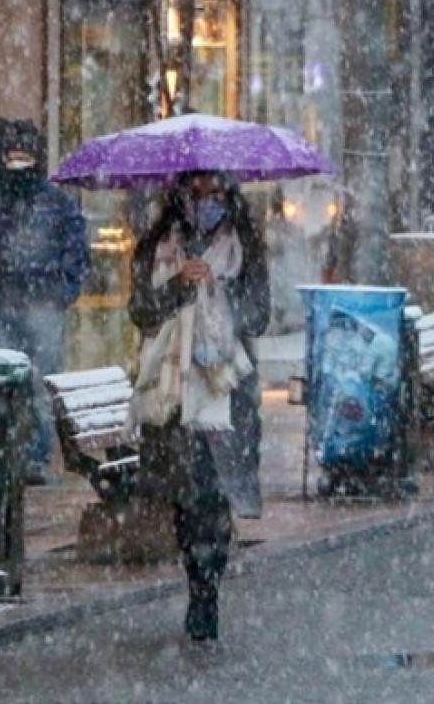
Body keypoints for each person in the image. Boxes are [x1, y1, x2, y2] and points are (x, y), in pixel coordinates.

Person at [127, 170, 269, 642]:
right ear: (180, 197)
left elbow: (260, 315)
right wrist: (179, 286)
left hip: (226, 385)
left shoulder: (242, 244)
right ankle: (197, 577)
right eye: (196, 193)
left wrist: (220, 290)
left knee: (215, 493)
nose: (205, 203)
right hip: (173, 388)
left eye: (214, 194)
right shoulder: (158, 243)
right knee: (188, 499)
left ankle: (207, 590)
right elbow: (142, 310)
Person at [0, 117, 91, 485]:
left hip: (42, 305)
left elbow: (76, 249)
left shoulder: (56, 203)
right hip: (3, 302)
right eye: (12, 157)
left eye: (24, 157)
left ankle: (34, 456)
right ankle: (3, 453)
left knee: (39, 384)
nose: (18, 165)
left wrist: (62, 291)